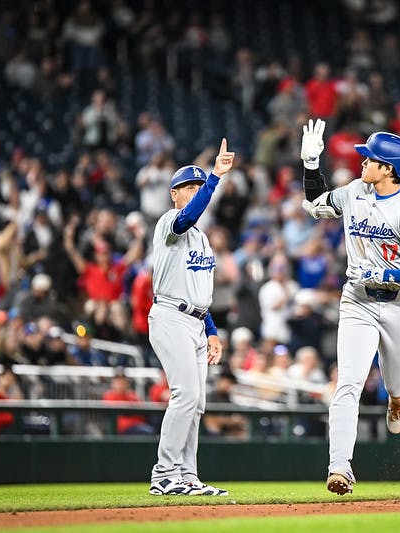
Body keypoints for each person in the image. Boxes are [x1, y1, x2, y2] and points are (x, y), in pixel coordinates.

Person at [299, 119, 400, 495]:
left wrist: (386, 270)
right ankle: (339, 468)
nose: (362, 163)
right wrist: (311, 167)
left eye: (370, 159)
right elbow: (316, 205)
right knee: (348, 383)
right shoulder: (354, 192)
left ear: (388, 169)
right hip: (357, 301)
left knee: (395, 382)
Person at [147, 139, 234, 496]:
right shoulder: (171, 223)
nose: (196, 191)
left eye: (199, 187)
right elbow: (189, 215)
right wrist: (214, 178)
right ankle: (163, 474)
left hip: (196, 322)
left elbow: (200, 295)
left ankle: (186, 475)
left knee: (197, 403)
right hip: (169, 316)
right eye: (189, 187)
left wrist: (212, 331)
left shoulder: (203, 240)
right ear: (174, 194)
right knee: (185, 395)